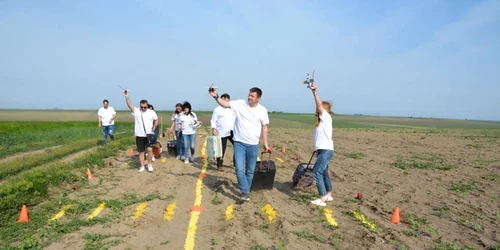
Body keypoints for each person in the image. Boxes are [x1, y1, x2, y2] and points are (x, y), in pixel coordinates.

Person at [208, 87, 270, 202]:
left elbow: (265, 127)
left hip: (253, 145)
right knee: (239, 169)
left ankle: (245, 189)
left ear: (258, 98)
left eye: (252, 96)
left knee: (250, 170)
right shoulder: (240, 104)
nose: (249, 97)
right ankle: (245, 191)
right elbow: (225, 104)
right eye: (249, 95)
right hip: (239, 143)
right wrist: (215, 96)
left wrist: (266, 144)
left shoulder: (262, 110)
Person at [308, 83, 335, 207]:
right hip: (322, 150)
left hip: (325, 151)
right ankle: (328, 194)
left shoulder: (326, 117)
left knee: (316, 172)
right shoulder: (322, 121)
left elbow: (319, 106)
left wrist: (314, 93)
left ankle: (322, 198)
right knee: (324, 172)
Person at [124, 91, 158, 173]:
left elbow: (156, 120)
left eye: (144, 107)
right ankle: (142, 166)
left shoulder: (151, 112)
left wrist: (154, 126)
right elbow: (130, 106)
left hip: (149, 134)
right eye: (141, 107)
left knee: (150, 150)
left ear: (147, 106)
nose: (143, 108)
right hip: (139, 135)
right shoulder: (136, 111)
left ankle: (149, 164)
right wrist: (127, 97)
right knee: (141, 152)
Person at [210, 93, 236, 171]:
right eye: (225, 100)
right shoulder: (217, 110)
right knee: (221, 149)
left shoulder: (232, 109)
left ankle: (236, 163)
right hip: (222, 132)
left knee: (238, 147)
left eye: (228, 100)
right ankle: (219, 164)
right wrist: (213, 129)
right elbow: (213, 120)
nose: (226, 102)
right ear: (221, 99)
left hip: (232, 131)